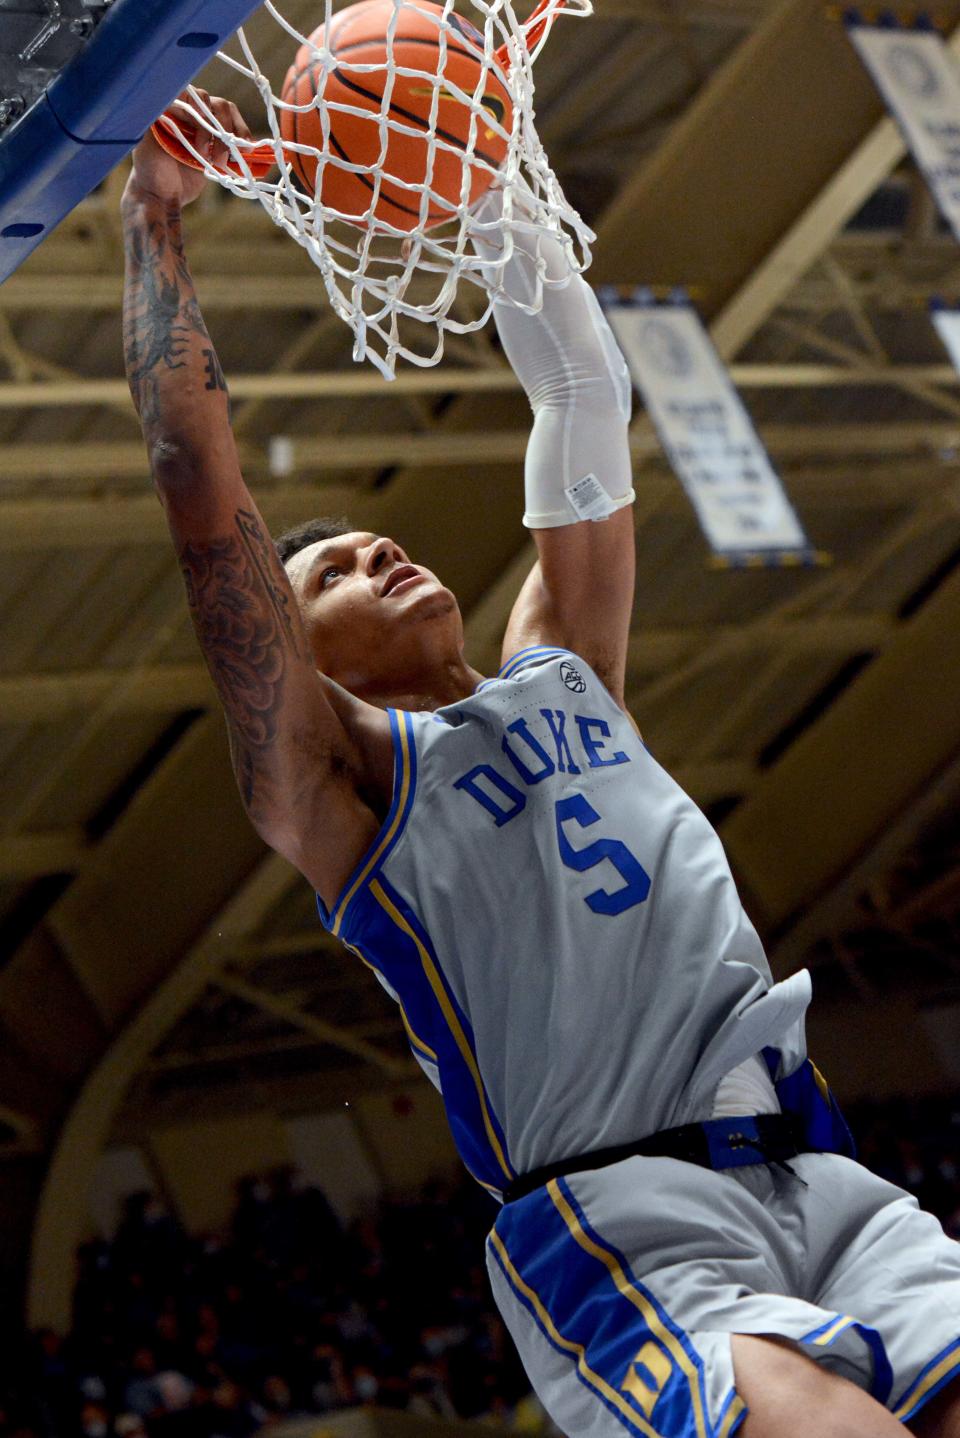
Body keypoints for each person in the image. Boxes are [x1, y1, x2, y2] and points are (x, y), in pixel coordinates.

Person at [121, 93, 960, 1438]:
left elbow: (581, 388)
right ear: (306, 659)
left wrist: (482, 174)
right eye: (332, 572)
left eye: (376, 540)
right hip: (626, 1221)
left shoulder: (565, 660)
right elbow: (191, 477)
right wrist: (156, 220)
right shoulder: (347, 790)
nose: (378, 552)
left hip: (825, 1173)